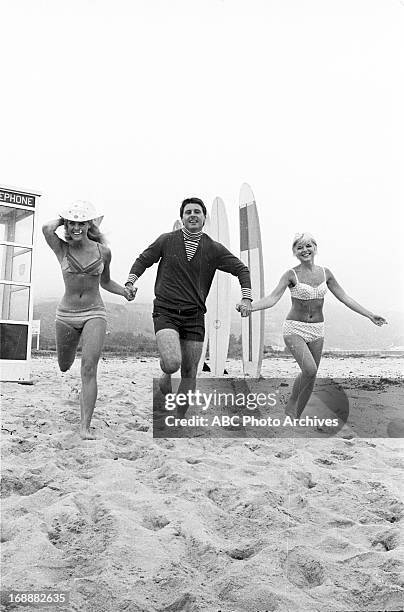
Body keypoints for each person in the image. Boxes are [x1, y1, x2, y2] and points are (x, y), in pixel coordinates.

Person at [125, 197, 252, 416]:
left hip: (194, 316)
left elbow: (242, 270)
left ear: (204, 218)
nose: (192, 215)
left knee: (190, 372)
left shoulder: (213, 248)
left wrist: (246, 299)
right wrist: (130, 282)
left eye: (197, 212)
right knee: (173, 362)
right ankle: (165, 375)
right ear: (182, 217)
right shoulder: (166, 240)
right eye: (188, 212)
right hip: (166, 311)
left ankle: (179, 417)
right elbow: (144, 259)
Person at [238, 232, 387, 418]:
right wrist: (251, 307)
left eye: (308, 246)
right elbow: (273, 298)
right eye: (299, 247)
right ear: (294, 252)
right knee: (310, 369)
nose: (304, 250)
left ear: (315, 248)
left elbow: (345, 297)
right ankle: (292, 403)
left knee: (311, 376)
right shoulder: (291, 274)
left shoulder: (326, 273)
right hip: (295, 328)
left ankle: (295, 417)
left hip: (317, 329)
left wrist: (370, 315)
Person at [42, 200, 135, 439]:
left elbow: (105, 282)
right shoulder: (61, 248)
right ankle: (75, 377)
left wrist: (124, 291)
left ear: (89, 224)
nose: (76, 228)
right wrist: (66, 217)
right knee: (65, 365)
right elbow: (46, 228)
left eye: (81, 223)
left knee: (89, 368)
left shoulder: (103, 251)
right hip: (66, 315)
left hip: (94, 312)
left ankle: (84, 427)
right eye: (72, 223)